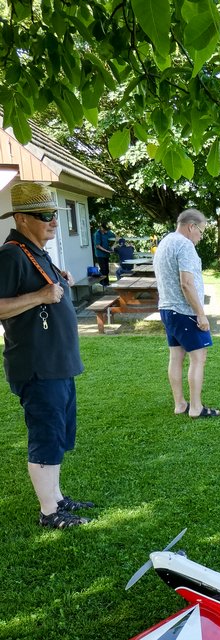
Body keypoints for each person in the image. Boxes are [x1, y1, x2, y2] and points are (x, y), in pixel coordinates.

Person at [0, 182, 94, 528]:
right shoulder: (11, 255)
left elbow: (46, 289)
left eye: (56, 215)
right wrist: (40, 296)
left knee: (58, 433)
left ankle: (56, 498)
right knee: (45, 434)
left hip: (57, 364)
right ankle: (49, 512)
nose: (54, 222)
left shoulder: (36, 251)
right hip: (37, 367)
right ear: (22, 219)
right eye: (46, 216)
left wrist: (57, 280)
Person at [154, 209, 220, 418]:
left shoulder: (165, 241)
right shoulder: (185, 245)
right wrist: (200, 314)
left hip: (167, 308)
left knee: (176, 356)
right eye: (201, 231)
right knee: (198, 358)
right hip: (185, 311)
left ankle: (180, 404)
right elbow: (186, 283)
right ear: (191, 226)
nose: (201, 237)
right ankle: (195, 408)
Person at [93, 221, 115, 285]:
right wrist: (107, 251)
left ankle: (107, 282)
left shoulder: (108, 232)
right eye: (105, 230)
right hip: (100, 255)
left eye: (106, 230)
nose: (106, 232)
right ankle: (102, 283)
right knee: (103, 270)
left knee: (107, 270)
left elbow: (115, 237)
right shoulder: (97, 234)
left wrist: (112, 246)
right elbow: (98, 246)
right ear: (101, 228)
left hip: (106, 255)